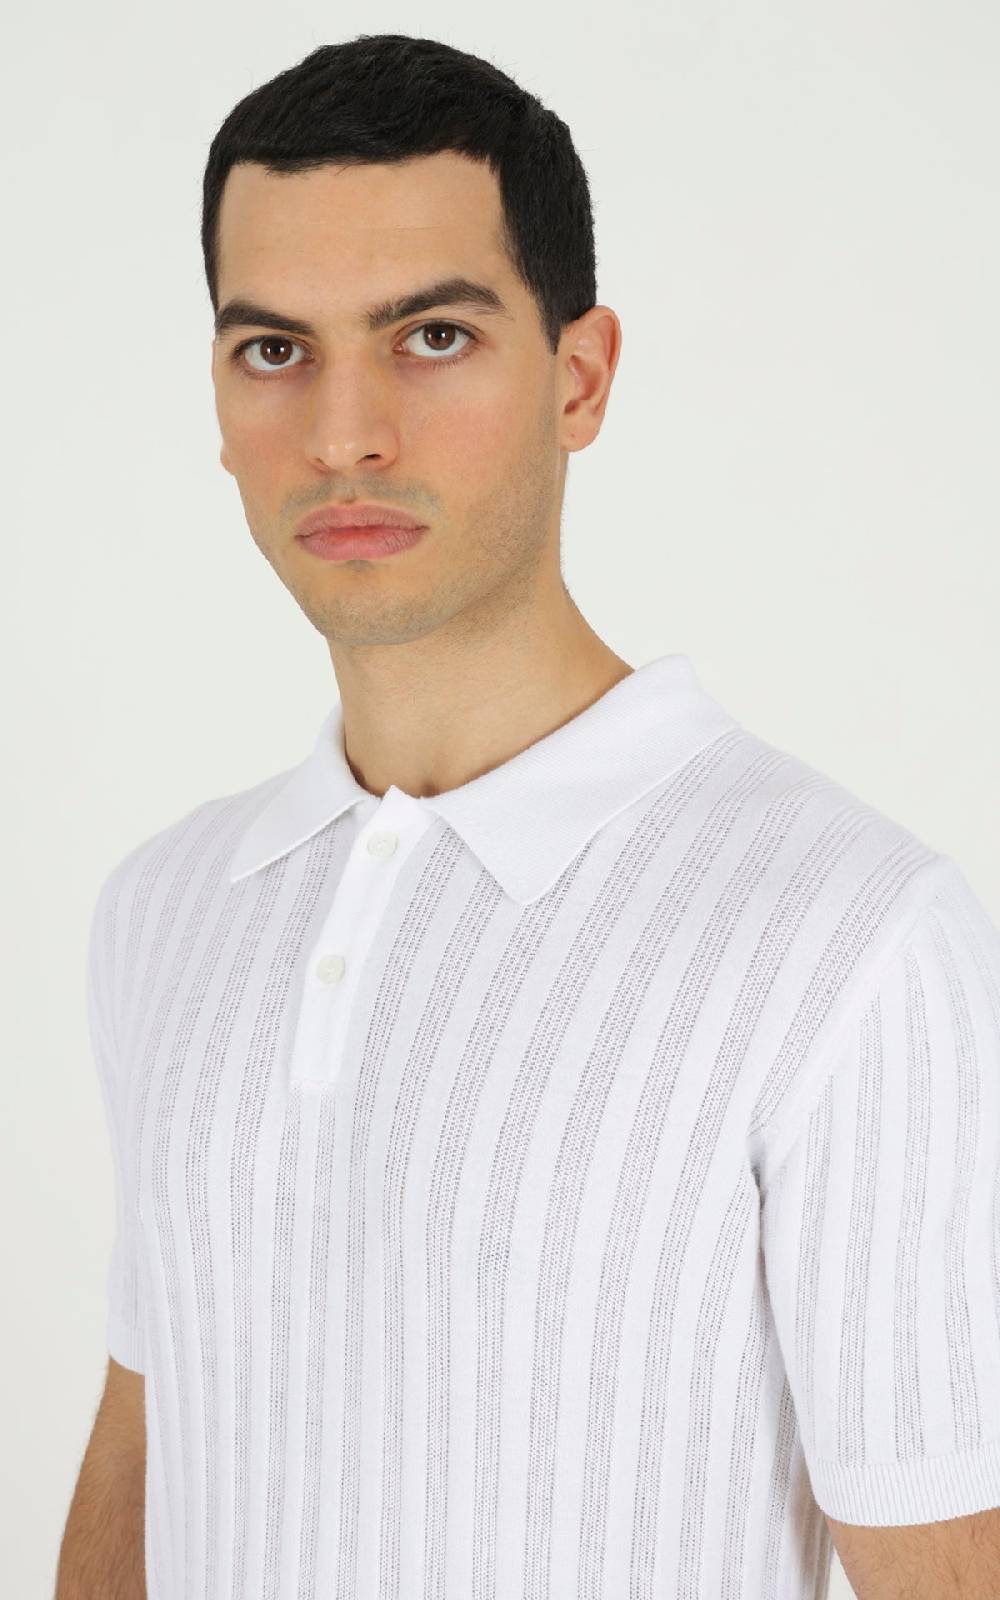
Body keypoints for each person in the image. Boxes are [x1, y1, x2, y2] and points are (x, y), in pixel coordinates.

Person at [57, 33, 1000, 1600]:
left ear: (580, 376)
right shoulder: (167, 908)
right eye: (274, 350)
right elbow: (152, 1443)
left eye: (432, 336)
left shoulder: (850, 938)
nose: (344, 435)